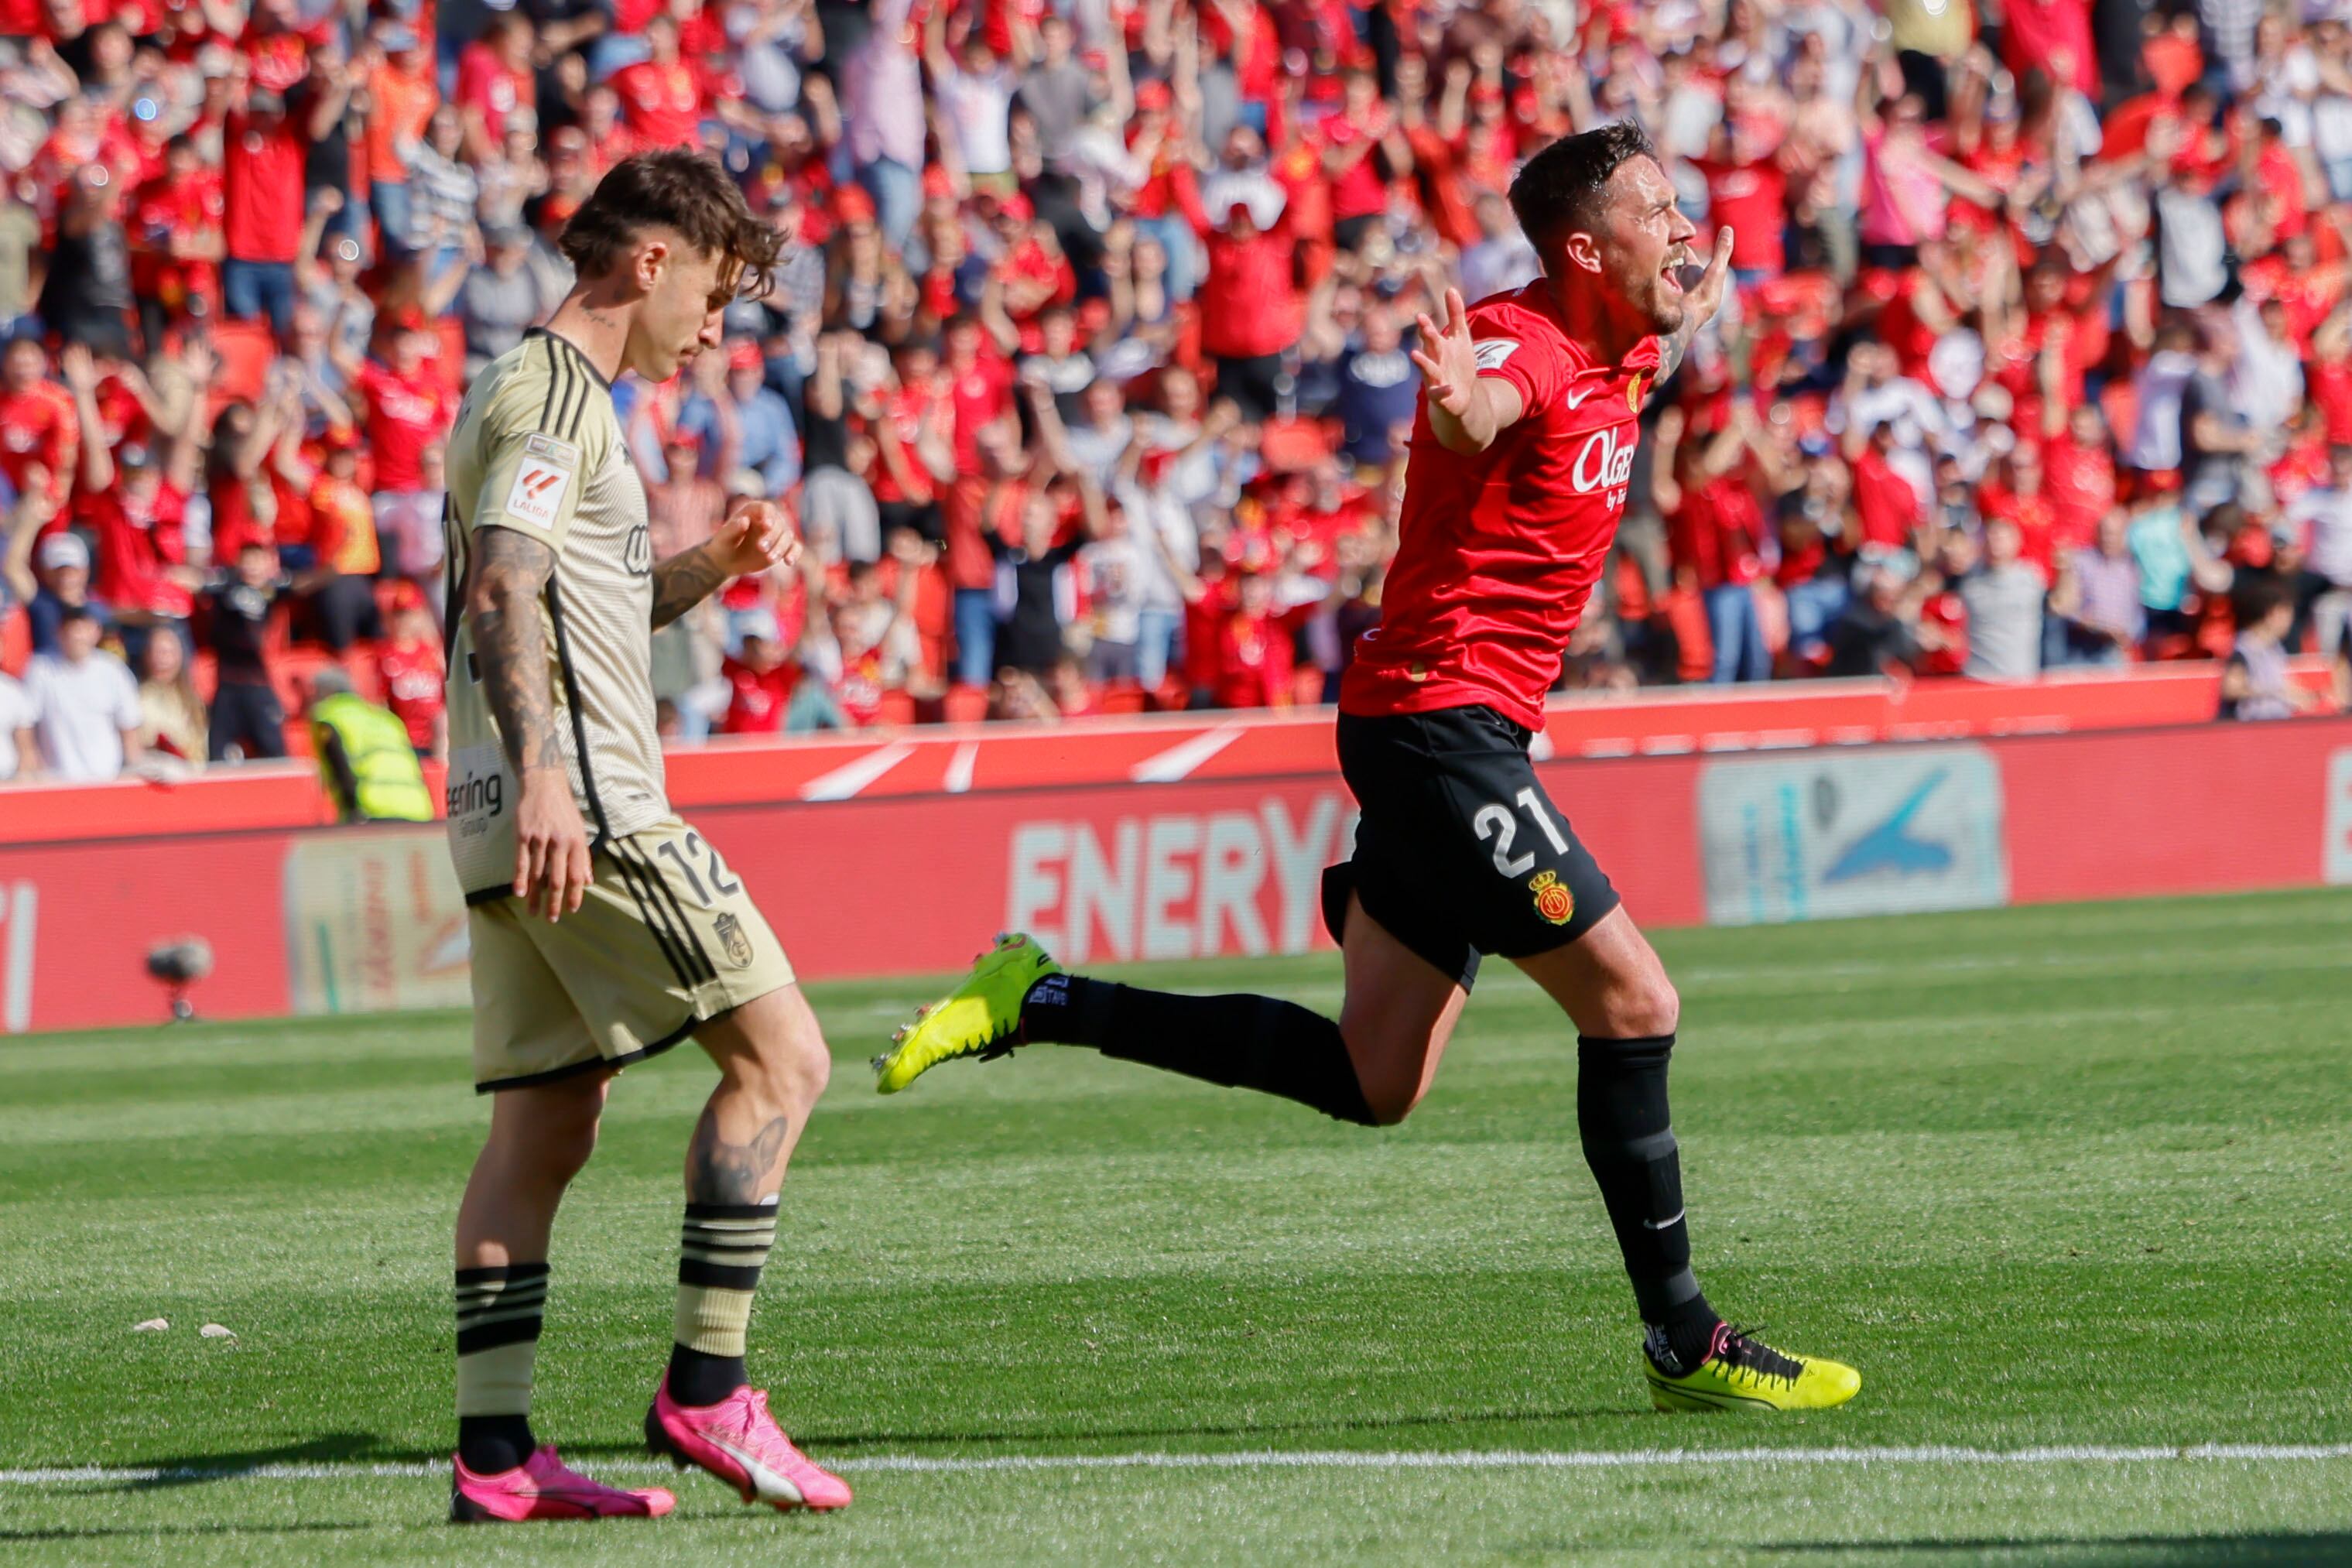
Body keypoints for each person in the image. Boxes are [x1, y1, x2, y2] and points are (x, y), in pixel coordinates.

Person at [874, 124, 1861, 1414]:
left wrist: (1685, 312)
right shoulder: (1517, 349)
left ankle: (1038, 1000)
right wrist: (1457, 402)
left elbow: (1632, 365)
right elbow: (1483, 404)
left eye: (1681, 211)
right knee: (1633, 1006)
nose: (1683, 228)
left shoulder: (1619, 341)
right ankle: (1682, 1335)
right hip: (1436, 727)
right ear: (1581, 247)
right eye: (1658, 211)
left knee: (1371, 1080)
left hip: (1440, 732)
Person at [437, 149, 851, 1525]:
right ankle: (708, 1388)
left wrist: (706, 571)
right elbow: (503, 585)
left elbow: (574, 604)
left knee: (544, 1128)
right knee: (784, 1059)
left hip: (497, 815)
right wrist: (554, 780)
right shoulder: (555, 395)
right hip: (588, 805)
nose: (718, 329)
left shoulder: (542, 400)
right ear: (651, 260)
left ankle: (494, 1462)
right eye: (717, 294)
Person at [25, 605, 143, 782]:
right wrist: (37, 773)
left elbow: (129, 729)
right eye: (71, 630)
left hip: (107, 779)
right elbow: (27, 728)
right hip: (57, 782)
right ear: (58, 633)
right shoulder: (40, 670)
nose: (77, 636)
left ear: (96, 632)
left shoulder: (113, 670)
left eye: (83, 629)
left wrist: (133, 771)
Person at [309, 668, 434, 821]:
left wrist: (352, 811)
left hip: (373, 809)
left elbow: (339, 767)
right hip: (417, 808)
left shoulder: (330, 716)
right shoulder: (386, 718)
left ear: (325, 692)